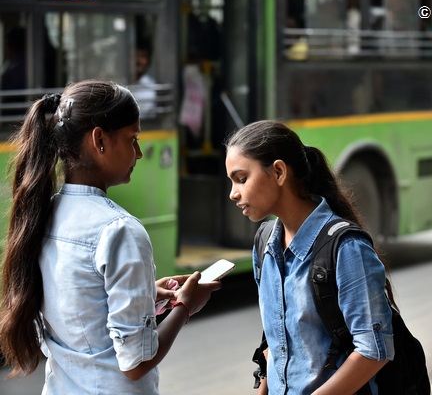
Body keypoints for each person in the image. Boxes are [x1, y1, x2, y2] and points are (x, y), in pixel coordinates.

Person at [0, 79, 221, 394]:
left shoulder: (43, 214)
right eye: (132, 139)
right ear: (99, 140)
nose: (140, 153)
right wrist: (186, 306)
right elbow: (135, 364)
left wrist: (145, 293)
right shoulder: (120, 231)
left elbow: (77, 308)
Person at [224, 120, 395, 395]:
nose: (233, 193)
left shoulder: (346, 248)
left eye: (241, 178)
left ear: (278, 171)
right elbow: (276, 344)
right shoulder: (265, 244)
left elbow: (374, 350)